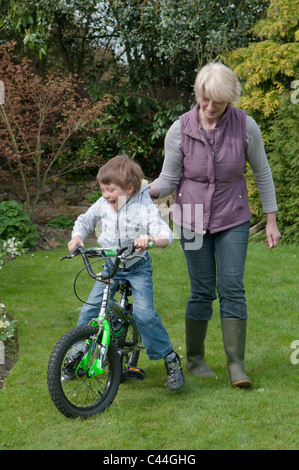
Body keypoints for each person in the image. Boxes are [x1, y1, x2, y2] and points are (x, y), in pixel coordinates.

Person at [150, 62, 281, 387]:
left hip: (232, 216)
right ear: (198, 94)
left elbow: (262, 172)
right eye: (205, 100)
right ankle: (194, 360)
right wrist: (145, 190)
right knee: (202, 290)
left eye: (218, 103)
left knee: (232, 287)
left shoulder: (245, 127)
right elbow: (169, 178)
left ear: (230, 99)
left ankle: (236, 365)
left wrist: (271, 219)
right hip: (191, 217)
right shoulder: (179, 130)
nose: (209, 108)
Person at [68, 154, 185, 391]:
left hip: (137, 268)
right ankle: (77, 351)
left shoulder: (143, 206)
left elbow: (166, 234)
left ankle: (170, 358)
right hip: (110, 265)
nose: (105, 195)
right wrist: (77, 237)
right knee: (90, 308)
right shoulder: (103, 205)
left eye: (110, 189)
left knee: (144, 315)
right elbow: (85, 220)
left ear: (130, 188)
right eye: (102, 189)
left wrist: (151, 240)